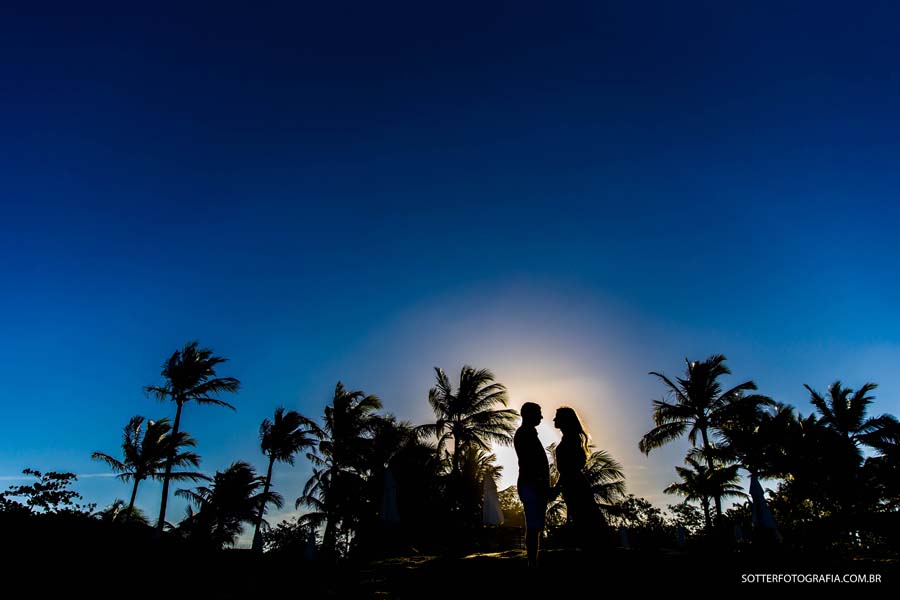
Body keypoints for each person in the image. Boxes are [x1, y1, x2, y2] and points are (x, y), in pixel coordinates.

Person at [552, 406, 604, 546]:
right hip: (573, 485)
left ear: (565, 420)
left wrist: (556, 489)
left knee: (584, 520)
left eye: (557, 417)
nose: (554, 419)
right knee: (584, 520)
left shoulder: (570, 440)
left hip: (575, 485)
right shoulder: (570, 439)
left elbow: (568, 469)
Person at [514, 402, 550, 568]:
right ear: (529, 414)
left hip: (533, 485)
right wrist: (541, 484)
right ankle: (532, 563)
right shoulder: (525, 434)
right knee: (533, 526)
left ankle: (533, 562)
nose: (541, 417)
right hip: (532, 485)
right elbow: (531, 463)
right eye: (538, 413)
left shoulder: (528, 433)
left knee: (535, 526)